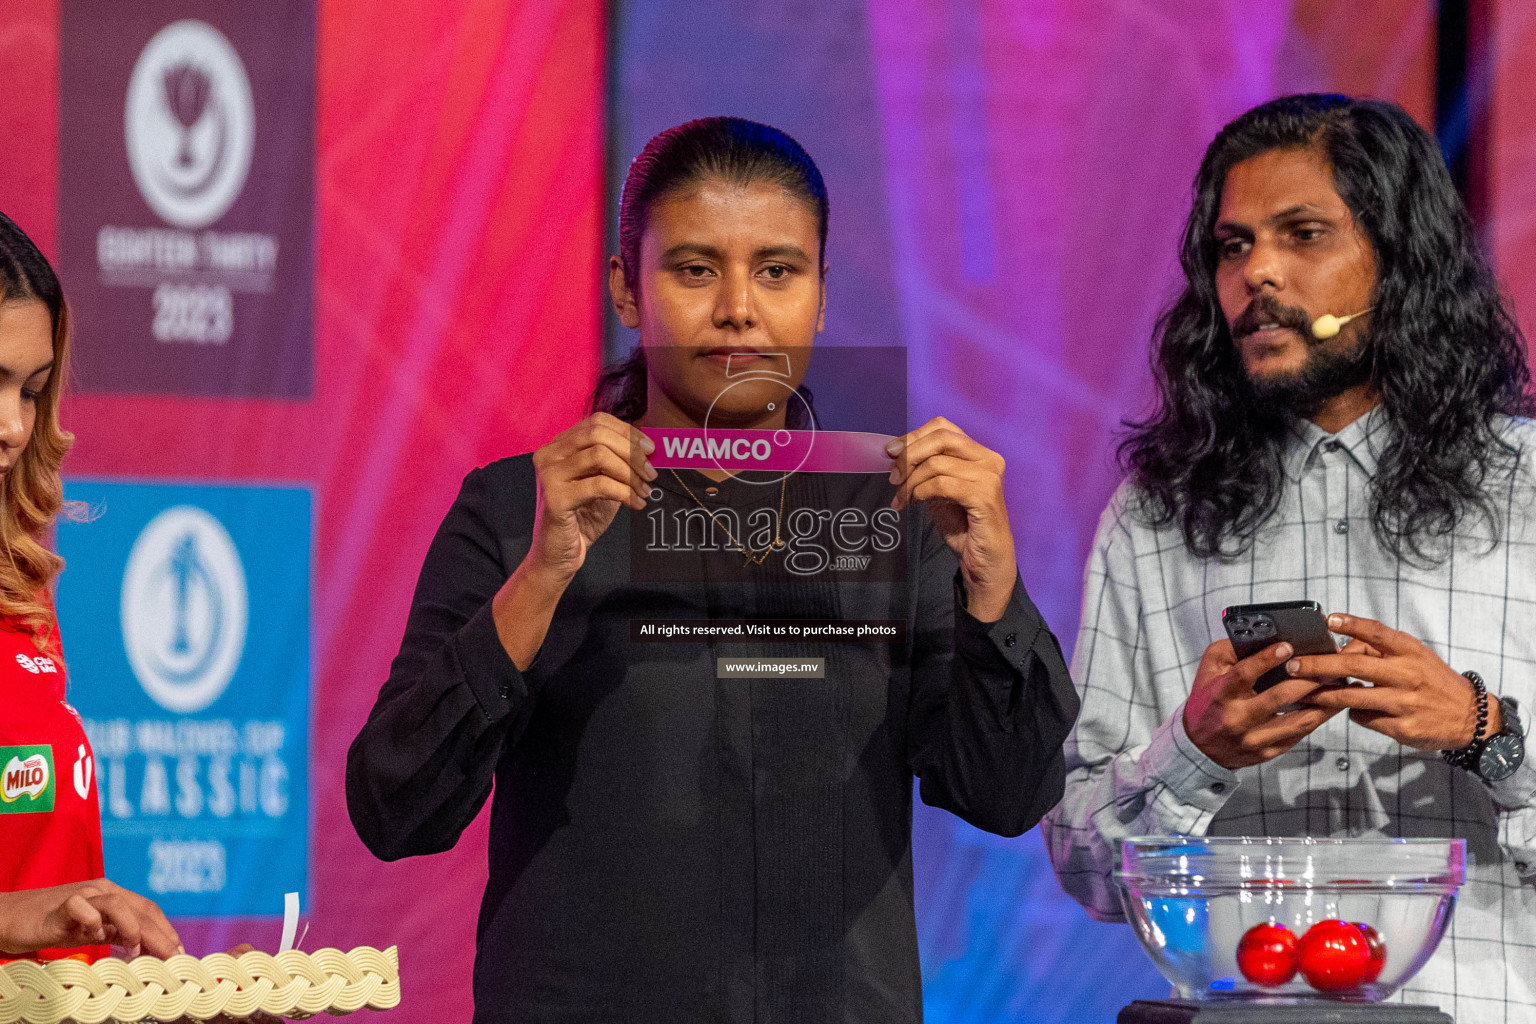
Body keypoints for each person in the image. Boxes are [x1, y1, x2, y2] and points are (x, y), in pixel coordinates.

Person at [347, 117, 1079, 1023]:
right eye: (695, 269)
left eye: (778, 271)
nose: (739, 307)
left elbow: (1008, 795)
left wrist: (991, 589)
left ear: (819, 297)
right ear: (626, 288)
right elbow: (395, 810)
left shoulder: (897, 514)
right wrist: (542, 577)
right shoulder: (517, 510)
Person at [1043, 94, 1535, 1023]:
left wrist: (1483, 731)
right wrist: (1194, 752)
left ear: (1401, 263)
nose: (1259, 273)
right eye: (1233, 247)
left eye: (1303, 234)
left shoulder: (1531, 490)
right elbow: (1082, 864)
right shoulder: (1155, 518)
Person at [0, 211, 182, 963]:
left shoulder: (21, 589)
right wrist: (12, 918)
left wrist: (167, 1001)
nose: (12, 425)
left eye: (32, 391)